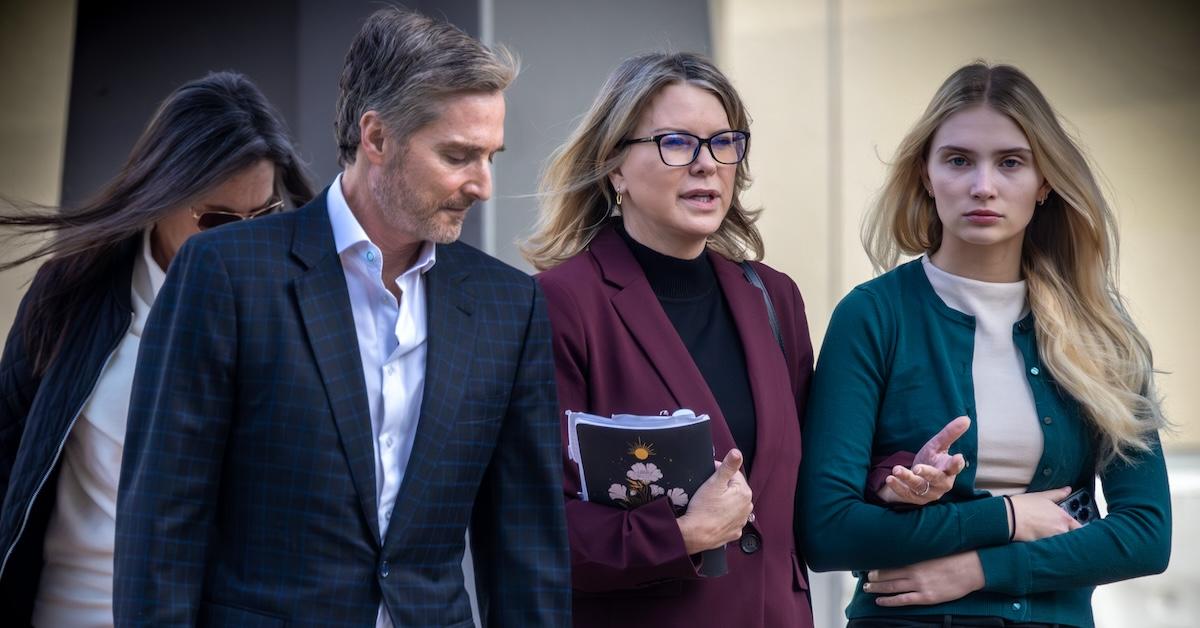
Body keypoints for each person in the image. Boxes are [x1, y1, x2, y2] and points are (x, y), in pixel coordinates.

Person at [112, 8, 569, 627]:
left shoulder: (508, 307)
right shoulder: (225, 273)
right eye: (459, 155)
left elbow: (526, 548)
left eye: (491, 156)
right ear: (376, 138)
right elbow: (162, 522)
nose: (482, 185)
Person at [800, 62, 1171, 627]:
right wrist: (1007, 518)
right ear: (926, 174)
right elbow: (827, 531)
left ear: (1044, 182)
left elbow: (1146, 534)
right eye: (957, 160)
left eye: (1010, 162)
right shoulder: (872, 315)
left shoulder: (1099, 328)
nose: (983, 186)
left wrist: (978, 568)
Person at [0, 71, 314, 626]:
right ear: (159, 197)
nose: (241, 243)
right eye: (217, 221)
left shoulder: (295, 312)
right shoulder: (72, 293)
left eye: (262, 217)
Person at [525, 51, 814, 627]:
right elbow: (533, 524)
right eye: (677, 142)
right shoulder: (560, 304)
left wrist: (898, 477)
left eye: (723, 142)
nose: (706, 165)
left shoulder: (774, 297)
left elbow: (814, 474)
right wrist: (680, 535)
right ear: (614, 168)